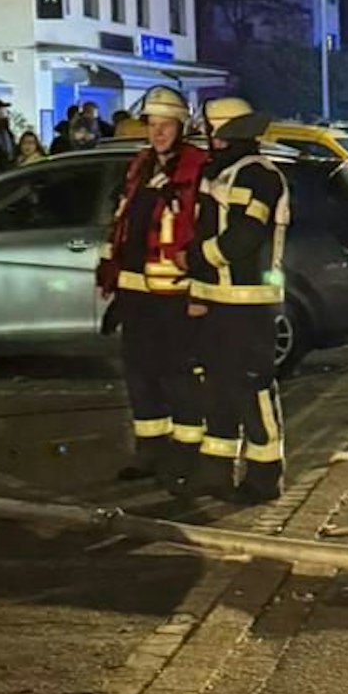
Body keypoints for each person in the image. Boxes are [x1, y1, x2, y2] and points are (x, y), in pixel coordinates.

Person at [96, 86, 208, 489]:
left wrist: (199, 293)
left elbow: (199, 230)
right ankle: (150, 450)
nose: (158, 133)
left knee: (176, 373)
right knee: (139, 372)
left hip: (175, 292)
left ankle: (187, 453)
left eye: (166, 126)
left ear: (182, 127)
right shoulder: (140, 165)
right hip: (135, 290)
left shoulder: (197, 166)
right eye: (152, 126)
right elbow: (126, 226)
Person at [185, 96, 289, 502]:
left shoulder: (258, 175)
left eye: (212, 128)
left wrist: (198, 258)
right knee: (217, 389)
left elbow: (246, 234)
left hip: (250, 305)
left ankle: (264, 478)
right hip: (217, 301)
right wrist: (198, 288)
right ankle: (215, 472)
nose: (207, 136)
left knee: (252, 390)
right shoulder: (223, 172)